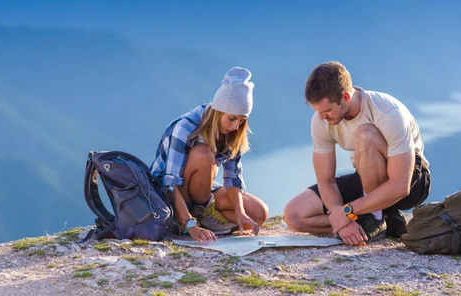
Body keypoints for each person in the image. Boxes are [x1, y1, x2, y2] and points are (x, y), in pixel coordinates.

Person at [283, 61, 431, 246]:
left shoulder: (387, 112)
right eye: (318, 112)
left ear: (345, 97)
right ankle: (382, 221)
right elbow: (325, 180)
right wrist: (343, 221)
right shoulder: (321, 120)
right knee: (295, 215)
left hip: (411, 180)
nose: (322, 117)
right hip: (367, 175)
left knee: (365, 134)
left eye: (327, 111)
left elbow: (401, 185)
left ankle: (374, 218)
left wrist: (347, 211)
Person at [151, 67, 268, 243]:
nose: (236, 126)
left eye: (242, 120)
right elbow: (169, 183)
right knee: (203, 154)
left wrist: (240, 212)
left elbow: (233, 177)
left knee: (258, 213)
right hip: (169, 194)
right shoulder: (185, 128)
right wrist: (191, 225)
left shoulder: (233, 133)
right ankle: (185, 221)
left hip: (202, 195)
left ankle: (203, 217)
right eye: (232, 119)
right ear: (219, 111)